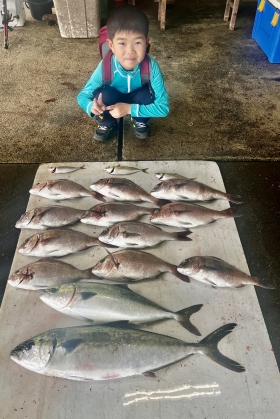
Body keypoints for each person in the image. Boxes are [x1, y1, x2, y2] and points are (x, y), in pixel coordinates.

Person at [77, 5, 169, 141]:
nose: (130, 51)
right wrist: (92, 106)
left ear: (147, 42)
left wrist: (129, 109)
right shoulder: (105, 67)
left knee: (148, 96)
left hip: (138, 97)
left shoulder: (151, 67)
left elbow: (163, 108)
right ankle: (107, 124)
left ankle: (140, 120)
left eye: (137, 42)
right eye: (122, 43)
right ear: (111, 45)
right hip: (112, 98)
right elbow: (83, 96)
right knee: (102, 96)